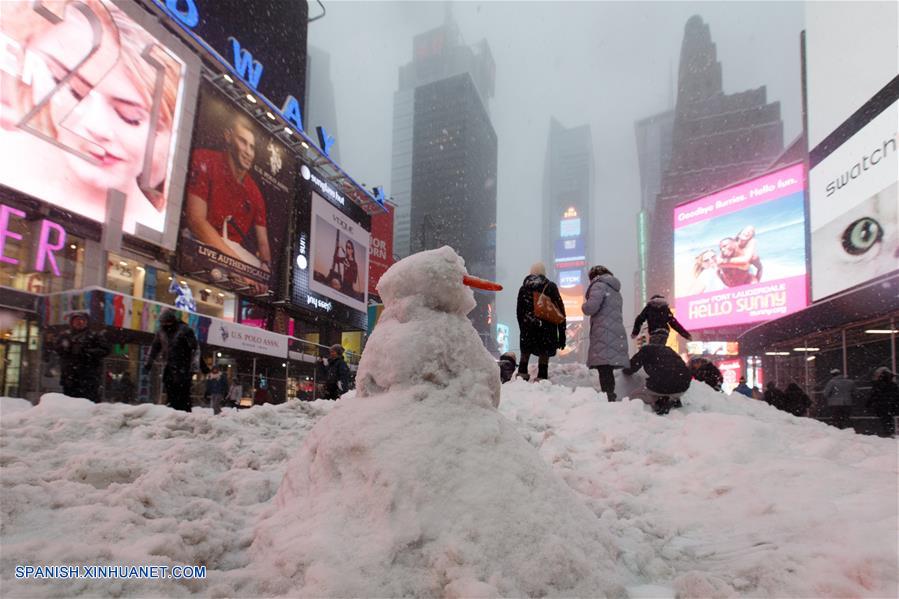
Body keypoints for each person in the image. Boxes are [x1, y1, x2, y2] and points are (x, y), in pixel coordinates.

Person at [0, 0, 182, 233]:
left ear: (166, 134)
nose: (97, 128)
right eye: (75, 91)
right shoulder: (10, 158)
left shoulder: (157, 227)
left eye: (130, 117)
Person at [184, 112, 272, 271]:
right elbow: (195, 221)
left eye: (252, 147)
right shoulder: (204, 160)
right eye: (243, 142)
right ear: (228, 136)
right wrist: (238, 267)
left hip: (233, 253)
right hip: (199, 242)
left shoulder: (255, 193)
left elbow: (263, 243)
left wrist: (264, 267)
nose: (248, 152)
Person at [582, 265, 629, 401]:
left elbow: (590, 308)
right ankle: (609, 394)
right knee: (606, 366)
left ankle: (608, 396)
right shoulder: (614, 289)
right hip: (614, 329)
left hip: (603, 330)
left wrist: (584, 305)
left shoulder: (599, 286)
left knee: (604, 366)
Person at [144, 309, 203, 412]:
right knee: (171, 393)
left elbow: (195, 349)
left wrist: (196, 367)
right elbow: (154, 348)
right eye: (163, 323)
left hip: (184, 367)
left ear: (172, 321)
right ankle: (173, 413)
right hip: (169, 367)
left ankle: (184, 414)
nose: (165, 325)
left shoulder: (185, 330)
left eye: (167, 322)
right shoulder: (161, 332)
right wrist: (148, 363)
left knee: (183, 394)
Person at [516, 262, 566, 381]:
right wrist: (562, 335)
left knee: (525, 352)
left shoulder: (523, 288)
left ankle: (522, 376)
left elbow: (519, 312)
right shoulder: (550, 287)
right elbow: (560, 311)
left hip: (528, 327)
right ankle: (542, 377)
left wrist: (523, 327)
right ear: (544, 272)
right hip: (546, 328)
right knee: (544, 353)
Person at [53, 311, 110, 402]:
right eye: (76, 320)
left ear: (87, 322)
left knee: (88, 401)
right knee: (70, 402)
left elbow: (105, 350)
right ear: (72, 322)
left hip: (89, 378)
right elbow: (58, 349)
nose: (79, 323)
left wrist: (87, 352)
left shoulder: (94, 336)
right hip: (70, 377)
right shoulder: (65, 336)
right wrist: (68, 349)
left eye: (82, 320)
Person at [622, 343, 692, 415]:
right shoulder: (668, 350)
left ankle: (661, 401)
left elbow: (629, 369)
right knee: (666, 384)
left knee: (634, 396)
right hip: (684, 384)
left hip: (663, 383)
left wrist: (622, 367)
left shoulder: (645, 351)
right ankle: (673, 398)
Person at [866, 367, 899, 437]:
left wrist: (869, 403)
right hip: (890, 405)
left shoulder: (878, 385)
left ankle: (887, 433)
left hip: (882, 405)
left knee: (885, 419)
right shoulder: (892, 385)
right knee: (889, 419)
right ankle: (890, 432)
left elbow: (874, 395)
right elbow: (896, 395)